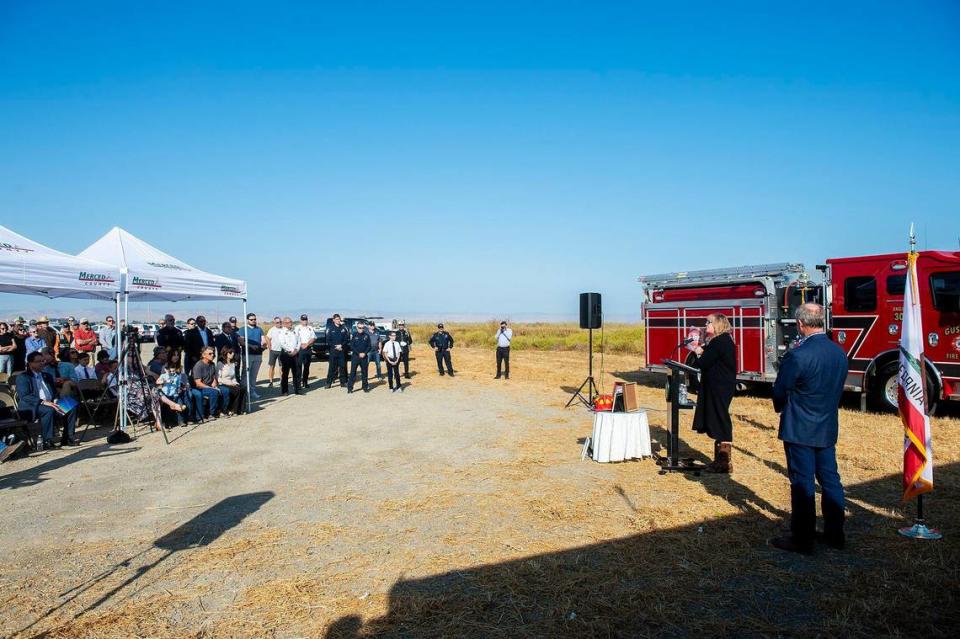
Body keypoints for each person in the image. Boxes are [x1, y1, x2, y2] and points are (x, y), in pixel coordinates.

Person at [769, 303, 848, 555]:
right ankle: (835, 533)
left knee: (802, 482)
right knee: (830, 478)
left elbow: (780, 389)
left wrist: (781, 406)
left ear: (801, 324)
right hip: (826, 424)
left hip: (800, 427)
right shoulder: (838, 352)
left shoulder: (798, 355)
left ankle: (803, 538)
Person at [690, 313, 737, 473]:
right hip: (720, 385)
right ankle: (720, 460)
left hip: (719, 386)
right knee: (718, 416)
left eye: (708, 322)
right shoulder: (721, 340)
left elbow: (704, 363)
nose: (705, 325)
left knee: (720, 418)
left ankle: (723, 462)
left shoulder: (720, 341)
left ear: (717, 324)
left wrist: (697, 351)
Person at [15, 351, 79, 448]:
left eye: (43, 361)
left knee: (70, 406)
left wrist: (56, 400)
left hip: (50, 403)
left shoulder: (47, 376)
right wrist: (44, 402)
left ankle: (68, 437)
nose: (42, 363)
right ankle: (47, 440)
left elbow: (53, 392)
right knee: (48, 410)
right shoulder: (23, 377)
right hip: (31, 407)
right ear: (30, 364)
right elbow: (25, 396)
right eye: (39, 361)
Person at [192, 346, 228, 419]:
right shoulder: (198, 365)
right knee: (213, 392)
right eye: (210, 353)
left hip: (210, 385)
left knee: (225, 390)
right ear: (204, 355)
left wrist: (214, 382)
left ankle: (222, 410)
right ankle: (212, 413)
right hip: (201, 388)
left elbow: (214, 376)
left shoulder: (212, 364)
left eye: (213, 354)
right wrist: (210, 387)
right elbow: (198, 383)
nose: (212, 355)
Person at [155, 361, 194, 426]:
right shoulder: (163, 376)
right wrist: (165, 381)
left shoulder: (177, 376)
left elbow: (179, 384)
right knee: (167, 409)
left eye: (174, 371)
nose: (172, 373)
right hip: (166, 395)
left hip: (175, 394)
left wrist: (180, 389)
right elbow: (157, 382)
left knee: (180, 405)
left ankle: (181, 421)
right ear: (166, 370)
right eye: (170, 371)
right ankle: (168, 422)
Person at [274, 317, 302, 395]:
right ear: (285, 323)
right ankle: (285, 391)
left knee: (296, 372)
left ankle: (297, 389)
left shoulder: (295, 331)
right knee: (285, 373)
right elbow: (282, 343)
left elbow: (299, 341)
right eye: (289, 322)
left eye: (291, 322)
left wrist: (296, 349)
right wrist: (290, 350)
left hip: (295, 354)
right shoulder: (281, 332)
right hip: (286, 354)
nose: (291, 323)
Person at [216, 346, 248, 415]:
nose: (232, 354)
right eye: (230, 352)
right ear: (225, 353)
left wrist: (235, 383)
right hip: (223, 383)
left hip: (231, 383)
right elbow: (218, 378)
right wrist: (229, 384)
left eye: (233, 352)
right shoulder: (220, 364)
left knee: (243, 388)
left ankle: (241, 409)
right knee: (236, 390)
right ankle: (234, 410)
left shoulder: (233, 363)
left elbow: (233, 377)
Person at [240, 313, 264, 400]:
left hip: (258, 355)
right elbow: (241, 342)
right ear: (247, 320)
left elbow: (263, 340)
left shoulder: (259, 329)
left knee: (254, 375)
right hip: (247, 354)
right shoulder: (243, 329)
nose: (253, 321)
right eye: (251, 319)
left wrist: (264, 345)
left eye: (254, 319)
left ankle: (252, 391)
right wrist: (251, 346)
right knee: (245, 374)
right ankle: (244, 392)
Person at [325, 314, 350, 389]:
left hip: (341, 350)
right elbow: (328, 340)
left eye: (339, 319)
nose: (338, 320)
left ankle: (343, 383)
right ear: (333, 320)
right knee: (332, 367)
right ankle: (328, 383)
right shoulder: (330, 328)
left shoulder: (343, 328)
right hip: (333, 351)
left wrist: (341, 345)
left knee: (342, 367)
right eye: (336, 319)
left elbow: (346, 339)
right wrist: (335, 346)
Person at [348, 321, 371, 393]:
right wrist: (359, 353)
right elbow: (352, 346)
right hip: (355, 357)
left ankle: (365, 387)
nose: (361, 329)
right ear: (357, 328)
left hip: (364, 357)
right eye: (360, 328)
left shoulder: (367, 336)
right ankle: (350, 388)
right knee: (353, 373)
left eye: (362, 328)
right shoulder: (354, 335)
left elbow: (369, 346)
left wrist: (364, 353)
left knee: (364, 373)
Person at [295, 314, 316, 388]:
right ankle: (298, 383)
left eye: (306, 319)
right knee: (299, 367)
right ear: (301, 320)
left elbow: (313, 338)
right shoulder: (297, 328)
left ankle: (305, 382)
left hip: (308, 348)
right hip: (300, 348)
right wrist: (300, 345)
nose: (304, 321)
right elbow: (295, 338)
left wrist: (307, 344)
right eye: (303, 320)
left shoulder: (310, 328)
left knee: (307, 366)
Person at [266, 316, 284, 388]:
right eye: (277, 322)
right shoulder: (272, 330)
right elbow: (267, 338)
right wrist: (269, 347)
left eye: (280, 322)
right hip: (273, 351)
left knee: (281, 367)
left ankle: (282, 381)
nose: (279, 323)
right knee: (272, 366)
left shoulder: (283, 329)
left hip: (282, 351)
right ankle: (271, 381)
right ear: (274, 323)